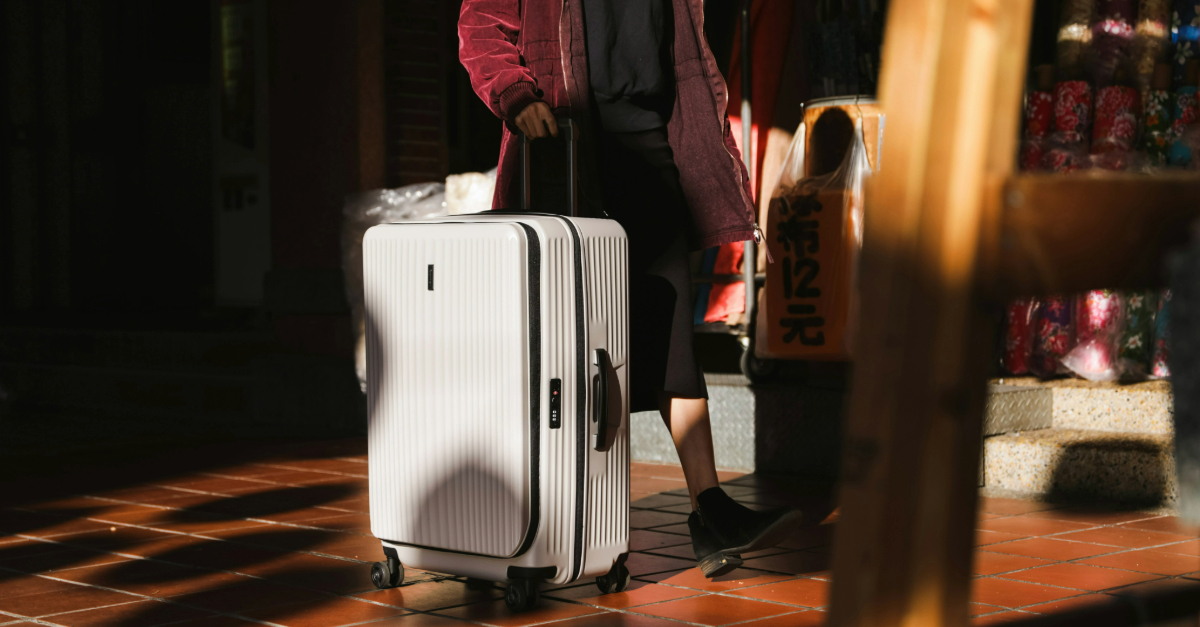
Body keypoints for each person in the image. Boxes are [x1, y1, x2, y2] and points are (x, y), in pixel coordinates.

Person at [459, 0, 804, 578]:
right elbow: (480, 27)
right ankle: (544, 518)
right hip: (566, 148)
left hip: (652, 146)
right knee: (564, 348)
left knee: (671, 335)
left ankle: (710, 509)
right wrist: (517, 96)